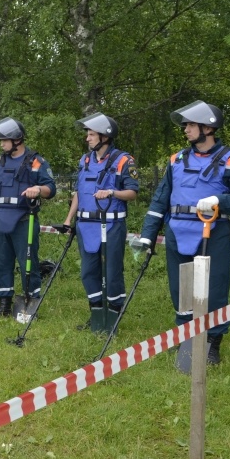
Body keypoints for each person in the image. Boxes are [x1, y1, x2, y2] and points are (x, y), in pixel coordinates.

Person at [135, 101, 230, 364]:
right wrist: (147, 233)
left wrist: (219, 201)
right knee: (181, 288)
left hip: (213, 231)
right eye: (186, 125)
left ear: (208, 127)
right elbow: (160, 199)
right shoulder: (176, 159)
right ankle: (185, 336)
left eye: (190, 124)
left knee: (214, 288)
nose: (186, 129)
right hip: (177, 231)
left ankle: (212, 340)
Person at [62, 113, 139, 330]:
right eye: (88, 134)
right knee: (88, 271)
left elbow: (132, 193)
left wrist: (112, 193)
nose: (88, 138)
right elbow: (79, 192)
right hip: (85, 226)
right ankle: (96, 315)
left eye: (92, 134)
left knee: (112, 271)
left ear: (105, 136)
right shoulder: (85, 160)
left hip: (111, 225)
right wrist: (69, 220)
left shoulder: (124, 160)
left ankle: (112, 317)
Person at [0, 117, 56, 318]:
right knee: (2, 263)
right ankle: (4, 304)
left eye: (4, 140)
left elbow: (51, 189)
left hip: (24, 221)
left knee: (28, 263)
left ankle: (31, 304)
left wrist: (38, 189)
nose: (1, 144)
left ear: (17, 139)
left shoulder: (36, 162)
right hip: (1, 220)